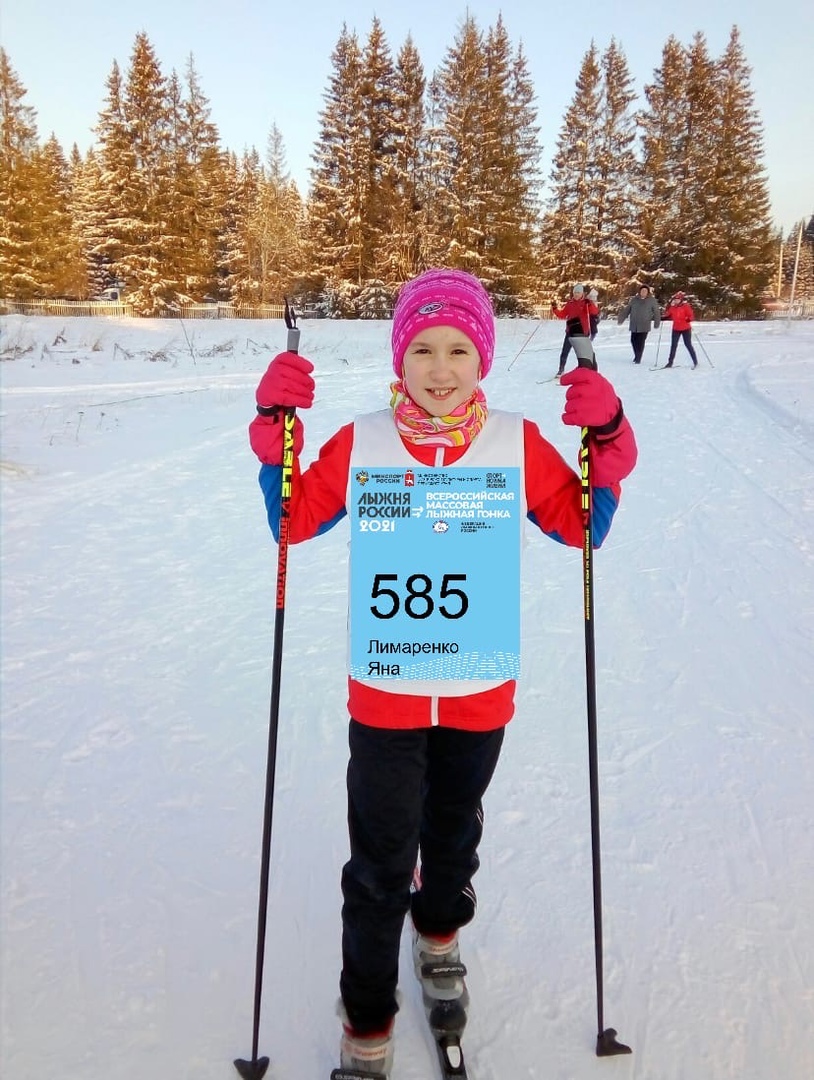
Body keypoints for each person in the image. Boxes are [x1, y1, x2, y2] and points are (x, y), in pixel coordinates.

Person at [247, 269, 637, 1078]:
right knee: (379, 863)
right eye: (422, 348)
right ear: (400, 357)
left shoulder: (515, 441)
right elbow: (292, 518)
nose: (440, 367)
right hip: (386, 691)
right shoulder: (362, 441)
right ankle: (366, 1018)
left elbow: (582, 526)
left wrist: (608, 435)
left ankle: (438, 936)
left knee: (453, 838)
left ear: (482, 357)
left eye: (459, 349)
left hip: (476, 691)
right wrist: (273, 432)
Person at [551, 283, 598, 377]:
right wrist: (555, 308)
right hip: (570, 331)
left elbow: (594, 312)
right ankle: (561, 370)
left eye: (578, 293)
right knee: (564, 352)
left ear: (582, 294)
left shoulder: (586, 302)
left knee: (584, 354)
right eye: (575, 292)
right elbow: (562, 314)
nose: (576, 294)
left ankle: (590, 370)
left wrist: (590, 304)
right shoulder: (570, 303)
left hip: (582, 333)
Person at [616, 284, 661, 364]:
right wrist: (621, 319)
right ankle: (637, 355)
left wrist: (656, 323)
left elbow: (656, 312)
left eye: (645, 291)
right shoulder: (634, 300)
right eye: (642, 291)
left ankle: (638, 358)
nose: (643, 292)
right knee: (633, 340)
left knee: (641, 341)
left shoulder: (652, 300)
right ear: (639, 291)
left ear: (648, 292)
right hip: (634, 324)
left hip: (644, 325)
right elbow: (627, 310)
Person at [663, 291, 698, 368]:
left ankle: (695, 361)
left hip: (686, 328)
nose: (676, 301)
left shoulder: (686, 306)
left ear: (681, 300)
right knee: (673, 345)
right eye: (675, 299)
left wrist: (689, 319)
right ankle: (670, 362)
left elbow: (691, 315)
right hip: (676, 329)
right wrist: (663, 317)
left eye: (678, 299)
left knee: (688, 344)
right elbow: (668, 314)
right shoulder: (672, 308)